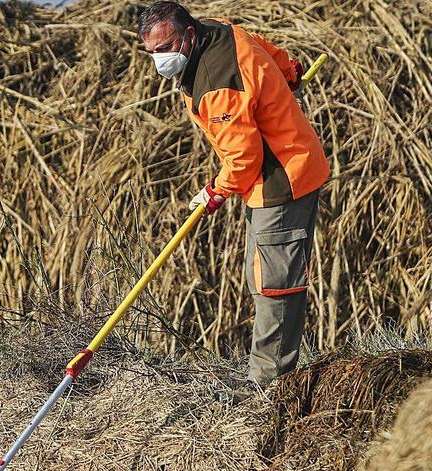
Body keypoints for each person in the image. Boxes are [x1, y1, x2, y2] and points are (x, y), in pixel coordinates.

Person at [137, 1, 329, 386]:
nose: (160, 60)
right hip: (270, 179)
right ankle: (268, 373)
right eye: (152, 52)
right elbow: (262, 45)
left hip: (281, 180)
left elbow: (244, 159)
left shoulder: (216, 81)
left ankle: (268, 386)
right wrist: (288, 72)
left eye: (165, 48)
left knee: (275, 284)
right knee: (260, 273)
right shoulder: (218, 30)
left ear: (188, 34)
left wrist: (215, 191)